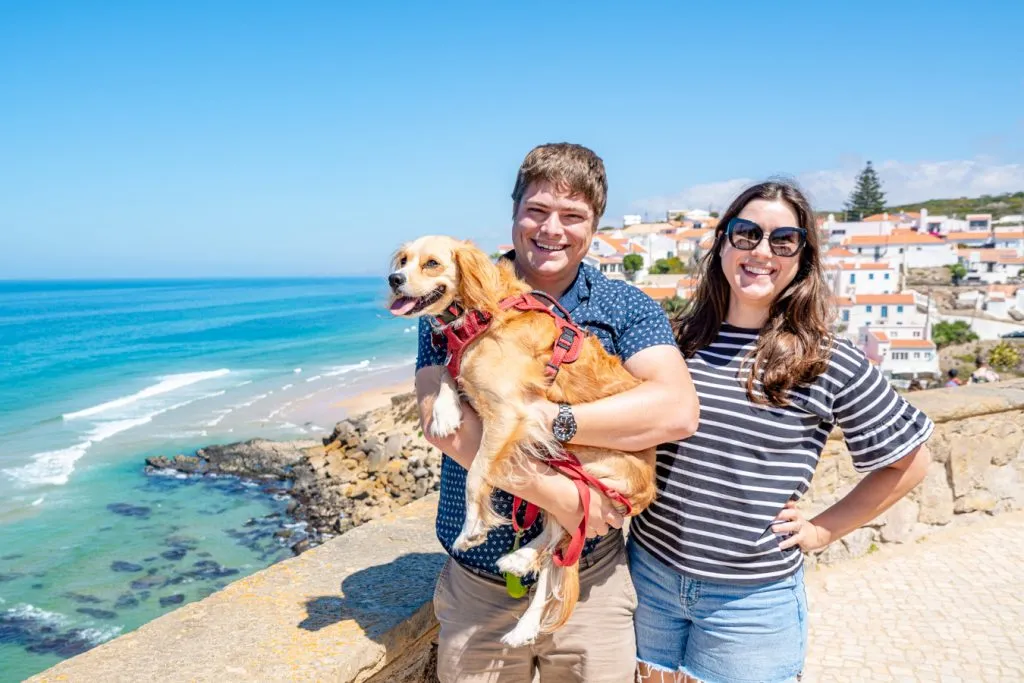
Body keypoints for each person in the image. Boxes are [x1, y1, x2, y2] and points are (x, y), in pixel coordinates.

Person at [627, 181, 934, 683]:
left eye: (783, 240)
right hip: (650, 577)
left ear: (803, 257)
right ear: (723, 242)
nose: (761, 252)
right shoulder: (675, 343)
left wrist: (821, 530)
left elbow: (910, 462)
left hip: (749, 604)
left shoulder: (828, 361)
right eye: (746, 234)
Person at [414, 142, 699, 682]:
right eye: (538, 211)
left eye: (573, 216)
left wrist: (554, 422)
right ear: (515, 212)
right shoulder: (452, 294)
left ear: (594, 226)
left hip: (592, 584)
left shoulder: (625, 306)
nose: (552, 229)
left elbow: (678, 410)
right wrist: (571, 501)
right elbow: (442, 424)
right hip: (477, 588)